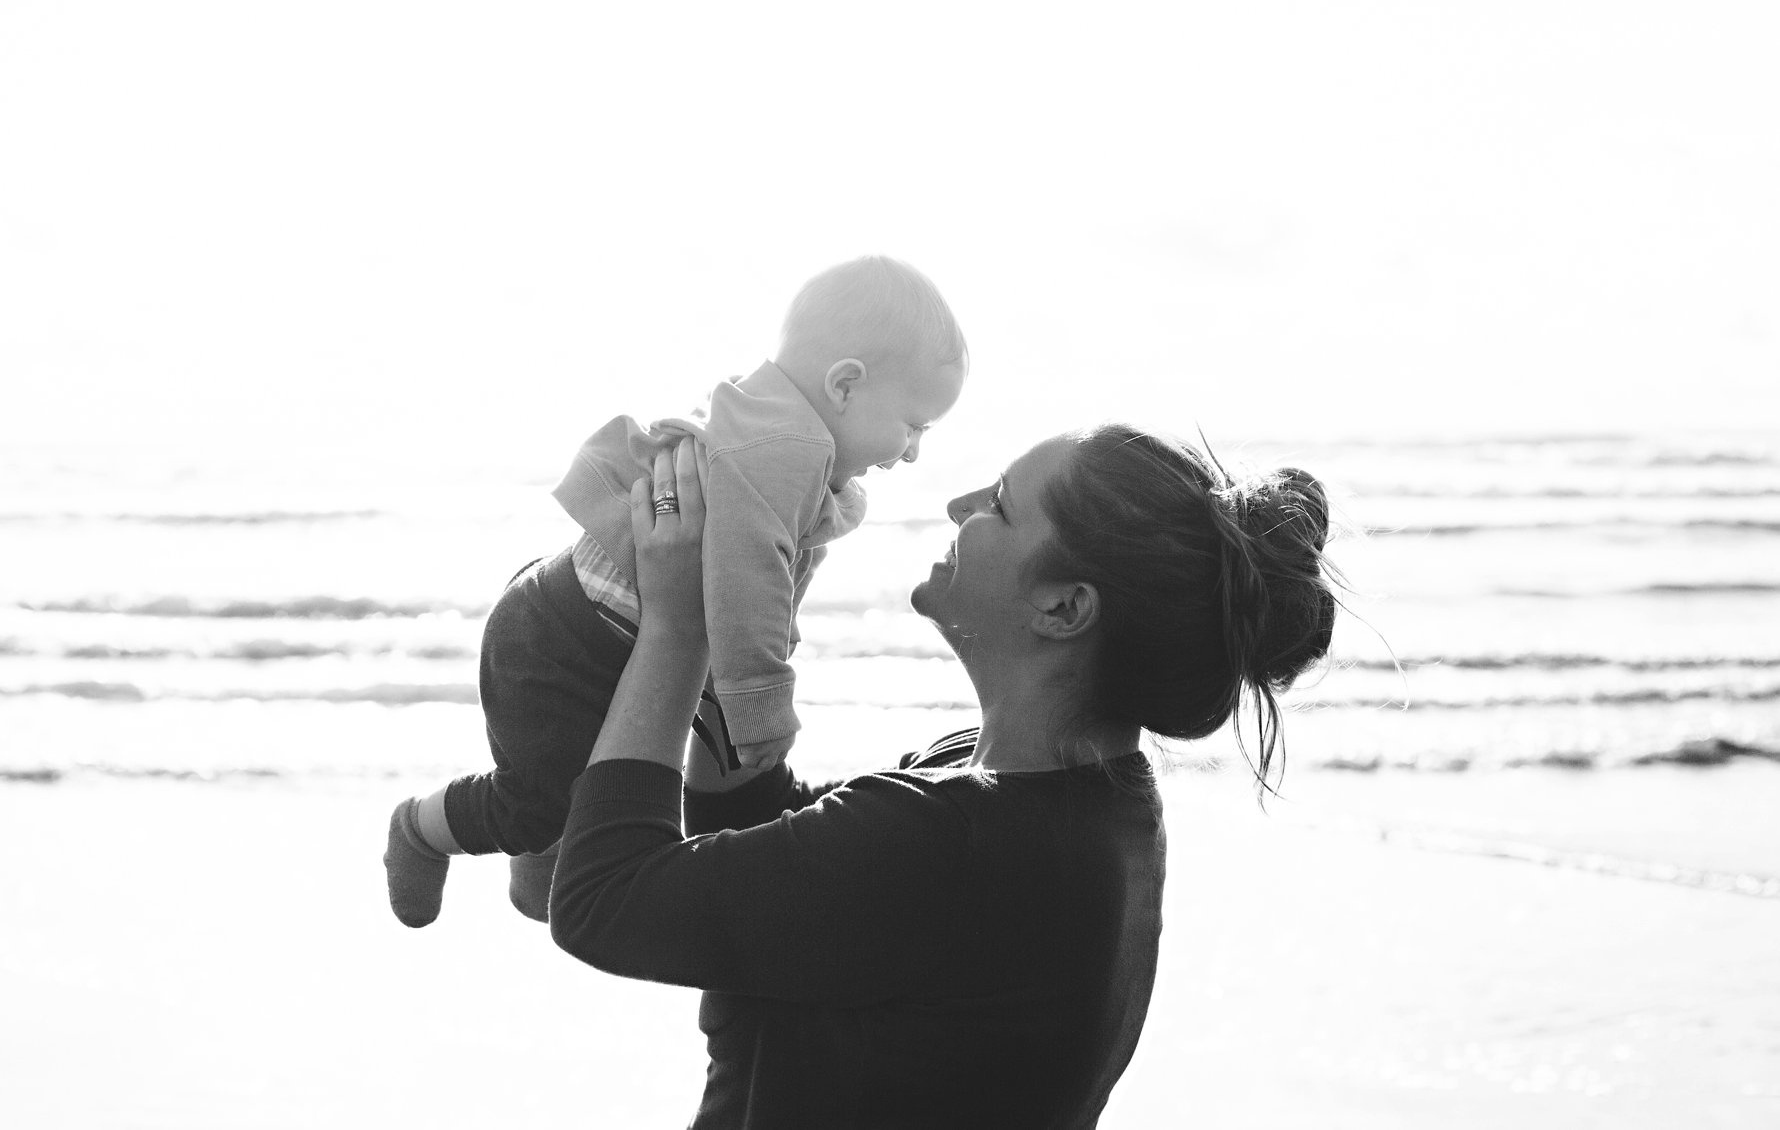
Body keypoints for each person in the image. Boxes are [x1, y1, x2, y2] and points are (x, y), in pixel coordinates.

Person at [549, 422, 1339, 1128]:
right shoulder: (1078, 799)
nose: (960, 505)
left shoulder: (953, 841)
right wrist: (745, 603)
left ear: (1064, 608)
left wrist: (679, 627)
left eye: (999, 504)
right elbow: (766, 846)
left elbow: (600, 898)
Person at [383, 255, 968, 928]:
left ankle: (540, 864)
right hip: (563, 640)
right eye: (914, 425)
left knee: (584, 781)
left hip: (579, 616)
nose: (914, 451)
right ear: (844, 385)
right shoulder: (786, 448)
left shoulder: (768, 420)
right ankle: (421, 827)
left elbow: (773, 578)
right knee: (535, 802)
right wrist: (761, 709)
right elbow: (749, 582)